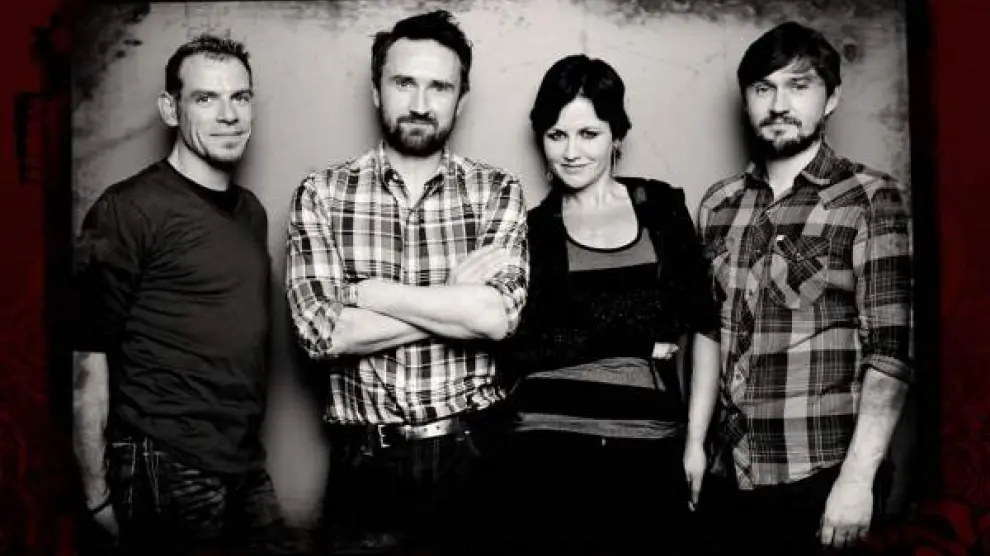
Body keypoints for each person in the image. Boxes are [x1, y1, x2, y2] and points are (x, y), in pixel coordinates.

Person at [285, 10, 528, 556]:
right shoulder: (322, 193)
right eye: (404, 83)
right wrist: (452, 302)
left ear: (461, 100)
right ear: (376, 91)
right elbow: (323, 334)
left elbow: (498, 319)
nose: (420, 103)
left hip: (475, 455)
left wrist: (369, 294)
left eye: (439, 86)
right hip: (364, 466)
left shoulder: (496, 190)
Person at [71, 35, 302, 555]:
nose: (228, 115)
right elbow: (85, 358)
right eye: (205, 98)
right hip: (164, 462)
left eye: (240, 97)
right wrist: (95, 496)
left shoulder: (250, 211)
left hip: (242, 460)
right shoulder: (127, 209)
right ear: (170, 109)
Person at [693, 21, 913, 556]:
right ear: (746, 99)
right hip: (729, 472)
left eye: (798, 85)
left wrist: (857, 481)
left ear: (830, 97)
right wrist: (695, 445)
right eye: (763, 88)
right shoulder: (719, 204)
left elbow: (890, 353)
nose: (778, 104)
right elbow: (710, 329)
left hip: (820, 473)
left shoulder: (868, 198)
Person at [497, 54, 720, 556]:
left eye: (589, 134)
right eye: (556, 135)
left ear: (617, 135)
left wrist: (695, 443)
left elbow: (703, 324)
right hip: (543, 444)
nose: (571, 152)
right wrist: (639, 338)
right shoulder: (530, 229)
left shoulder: (660, 208)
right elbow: (522, 347)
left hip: (648, 443)